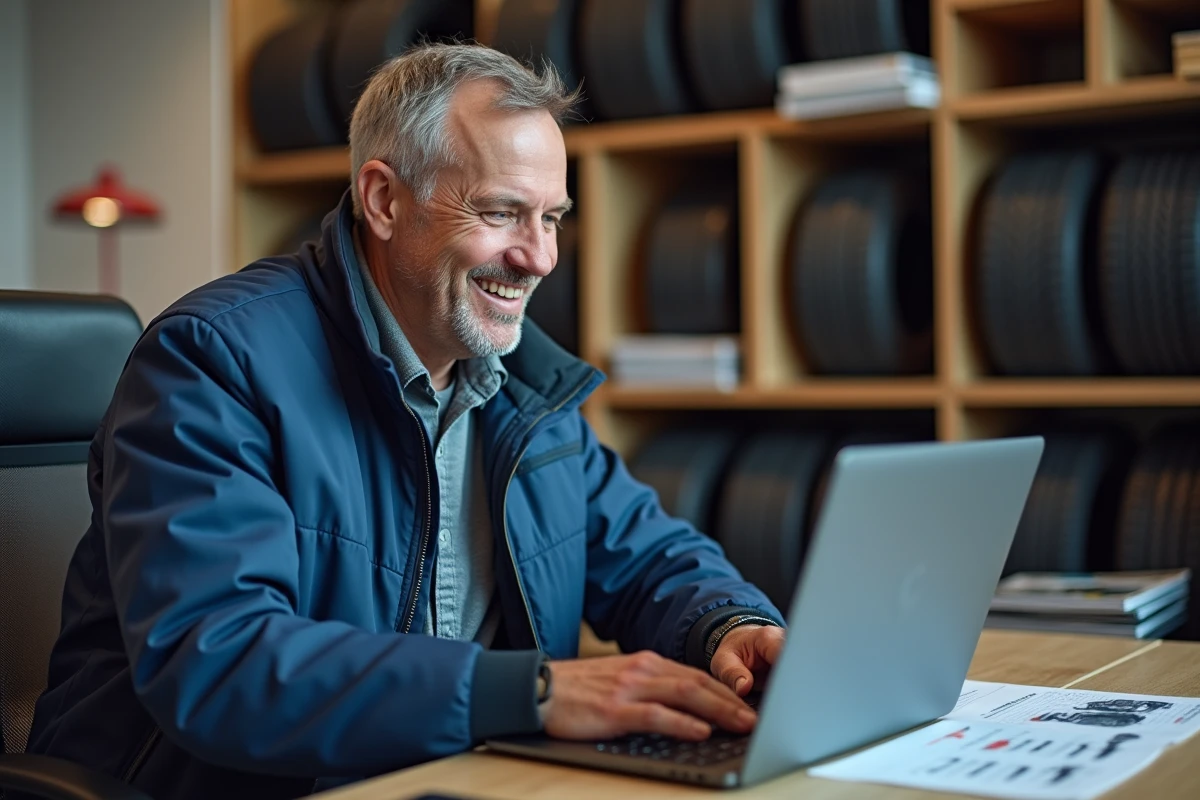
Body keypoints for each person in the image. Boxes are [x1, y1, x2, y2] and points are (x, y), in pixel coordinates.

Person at [25, 43, 786, 800]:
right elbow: (224, 660)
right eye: (501, 212)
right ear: (384, 200)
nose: (541, 256)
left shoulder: (523, 384)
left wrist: (729, 627)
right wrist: (535, 694)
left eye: (552, 218)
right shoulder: (212, 362)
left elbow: (645, 555)